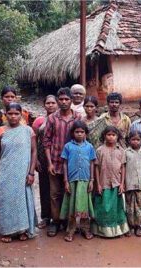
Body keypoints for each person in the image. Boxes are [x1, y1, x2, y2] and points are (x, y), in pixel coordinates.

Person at [0, 103, 37, 242]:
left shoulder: (28, 131)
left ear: (21, 114)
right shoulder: (0, 131)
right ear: (5, 115)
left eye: (16, 113)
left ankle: (23, 230)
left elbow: (33, 152)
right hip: (6, 172)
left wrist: (31, 173)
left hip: (23, 172)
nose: (13, 116)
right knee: (6, 200)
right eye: (10, 113)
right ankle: (7, 231)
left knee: (22, 201)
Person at [43, 87, 82, 237]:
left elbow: (83, 139)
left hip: (72, 163)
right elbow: (46, 142)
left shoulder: (78, 117)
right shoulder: (52, 118)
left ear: (72, 100)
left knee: (70, 192)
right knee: (54, 194)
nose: (64, 102)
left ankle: (68, 221)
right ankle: (55, 221)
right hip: (55, 160)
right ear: (58, 101)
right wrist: (49, 163)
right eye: (61, 99)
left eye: (67, 99)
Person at [59, 121, 96, 242]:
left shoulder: (89, 147)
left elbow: (92, 163)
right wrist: (65, 180)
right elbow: (64, 164)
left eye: (82, 132)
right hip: (72, 180)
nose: (79, 134)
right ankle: (71, 230)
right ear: (72, 133)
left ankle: (85, 229)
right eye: (77, 132)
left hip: (85, 180)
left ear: (85, 133)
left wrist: (92, 180)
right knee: (72, 206)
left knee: (84, 206)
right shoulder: (68, 146)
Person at [92, 126, 129, 237]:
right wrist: (97, 184)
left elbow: (123, 167)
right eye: (109, 135)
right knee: (103, 207)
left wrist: (122, 184)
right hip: (103, 183)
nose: (111, 137)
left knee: (116, 208)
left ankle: (118, 230)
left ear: (117, 137)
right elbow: (96, 168)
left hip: (116, 183)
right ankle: (101, 230)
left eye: (113, 135)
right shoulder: (99, 150)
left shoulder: (121, 151)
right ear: (104, 136)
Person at [31, 95, 58, 229]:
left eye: (53, 103)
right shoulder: (39, 121)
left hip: (57, 159)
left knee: (57, 190)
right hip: (42, 158)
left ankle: (58, 218)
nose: (51, 105)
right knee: (45, 188)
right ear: (44, 105)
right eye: (48, 103)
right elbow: (34, 142)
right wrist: (35, 160)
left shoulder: (60, 119)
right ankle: (46, 217)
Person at [124, 130, 141, 237]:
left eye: (138, 140)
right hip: (129, 183)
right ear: (129, 141)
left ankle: (138, 226)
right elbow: (123, 168)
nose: (135, 142)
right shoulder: (126, 152)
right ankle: (129, 226)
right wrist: (123, 183)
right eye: (133, 140)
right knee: (129, 206)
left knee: (140, 206)